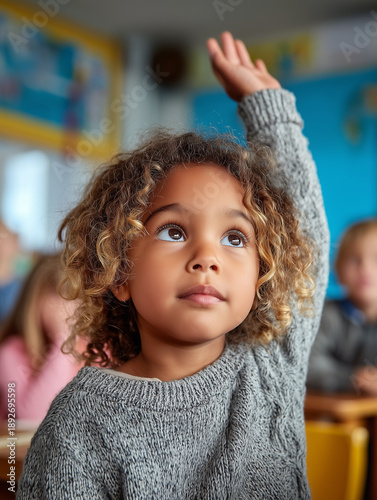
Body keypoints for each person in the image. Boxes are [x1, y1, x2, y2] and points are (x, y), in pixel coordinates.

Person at [17, 32, 329, 499]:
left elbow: (308, 233)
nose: (207, 258)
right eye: (174, 232)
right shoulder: (79, 422)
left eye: (235, 237)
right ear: (119, 272)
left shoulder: (271, 367)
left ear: (265, 273)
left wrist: (272, 112)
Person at [0, 253, 83, 422]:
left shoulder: (97, 350)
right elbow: (32, 418)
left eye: (77, 297)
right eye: (60, 294)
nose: (70, 307)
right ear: (35, 300)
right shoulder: (11, 353)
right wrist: (64, 342)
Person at [307, 219, 377, 395]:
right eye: (354, 259)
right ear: (338, 268)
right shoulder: (327, 315)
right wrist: (353, 377)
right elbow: (309, 364)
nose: (365, 269)